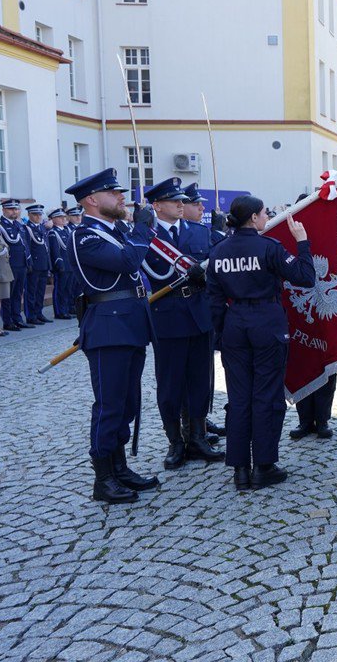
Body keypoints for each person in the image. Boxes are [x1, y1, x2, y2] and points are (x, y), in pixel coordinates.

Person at [65, 168, 162, 504]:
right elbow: (126, 260)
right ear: (92, 200)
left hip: (131, 323)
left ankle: (119, 468)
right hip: (108, 326)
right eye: (113, 193)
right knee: (109, 404)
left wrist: (140, 227)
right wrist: (142, 227)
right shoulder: (85, 237)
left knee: (128, 402)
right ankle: (103, 478)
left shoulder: (117, 229)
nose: (122, 198)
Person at [207, 195, 314, 491]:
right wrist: (302, 242)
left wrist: (222, 332)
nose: (267, 217)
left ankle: (240, 467)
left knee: (239, 398)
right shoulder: (269, 248)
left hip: (235, 324)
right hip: (266, 322)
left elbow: (214, 300)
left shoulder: (218, 252)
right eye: (265, 213)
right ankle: (263, 465)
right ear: (253, 218)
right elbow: (305, 277)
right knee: (266, 395)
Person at [142, 178, 223, 470]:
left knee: (199, 380)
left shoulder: (200, 232)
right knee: (170, 383)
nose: (180, 204)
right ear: (156, 206)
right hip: (167, 316)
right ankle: (175, 442)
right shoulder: (145, 238)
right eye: (172, 200)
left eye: (181, 200)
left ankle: (198, 437)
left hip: (199, 313)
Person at [180, 183, 226, 441]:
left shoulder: (201, 232)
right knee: (179, 378)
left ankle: (200, 421)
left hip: (201, 311)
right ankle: (183, 433)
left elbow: (216, 258)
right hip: (175, 314)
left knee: (203, 374)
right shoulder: (162, 236)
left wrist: (218, 231)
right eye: (195, 204)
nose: (202, 208)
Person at [0, 198, 30, 330]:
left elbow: (25, 244)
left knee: (18, 293)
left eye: (16, 209)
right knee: (8, 295)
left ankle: (17, 318)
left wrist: (29, 261)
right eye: (11, 209)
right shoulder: (0, 226)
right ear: (4, 210)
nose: (14, 211)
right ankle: (8, 321)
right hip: (10, 264)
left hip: (22, 263)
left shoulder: (19, 225)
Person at [23, 204, 52, 323]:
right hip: (34, 265)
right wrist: (29, 263)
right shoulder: (27, 228)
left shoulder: (42, 228)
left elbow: (46, 247)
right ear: (29, 215)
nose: (38, 217)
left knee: (40, 291)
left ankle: (39, 312)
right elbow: (27, 247)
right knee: (31, 291)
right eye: (35, 214)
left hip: (44, 264)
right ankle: (31, 315)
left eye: (40, 214)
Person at [45, 208, 75, 320]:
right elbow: (54, 250)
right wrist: (58, 262)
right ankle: (60, 311)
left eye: (64, 216)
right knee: (60, 289)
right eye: (59, 217)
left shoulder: (66, 230)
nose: (63, 218)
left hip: (70, 264)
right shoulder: (53, 232)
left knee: (68, 288)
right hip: (62, 264)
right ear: (53, 219)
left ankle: (67, 308)